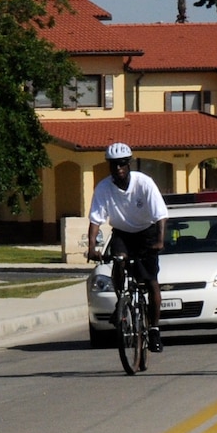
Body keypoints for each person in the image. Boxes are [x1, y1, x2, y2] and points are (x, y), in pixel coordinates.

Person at [85, 142, 169, 353]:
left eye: (122, 164)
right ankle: (122, 301)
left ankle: (154, 329)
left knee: (150, 282)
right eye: (113, 165)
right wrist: (92, 246)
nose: (118, 169)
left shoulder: (144, 183)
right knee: (118, 260)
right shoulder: (104, 188)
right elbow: (95, 220)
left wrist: (159, 241)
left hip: (147, 232)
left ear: (129, 164)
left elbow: (160, 215)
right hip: (122, 233)